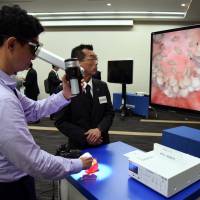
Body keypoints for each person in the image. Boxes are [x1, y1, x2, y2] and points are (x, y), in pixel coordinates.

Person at [0, 5, 92, 200]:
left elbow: (33, 110)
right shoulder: (4, 99)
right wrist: (79, 163)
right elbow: (34, 162)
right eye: (33, 48)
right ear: (11, 45)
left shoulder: (7, 86)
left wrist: (65, 94)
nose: (34, 56)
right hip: (10, 187)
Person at [55, 44, 115, 149]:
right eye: (92, 58)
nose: (96, 62)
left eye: (96, 59)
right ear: (77, 62)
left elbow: (109, 113)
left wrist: (99, 129)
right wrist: (85, 136)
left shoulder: (102, 86)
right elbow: (61, 121)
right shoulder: (66, 90)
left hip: (102, 142)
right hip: (79, 146)